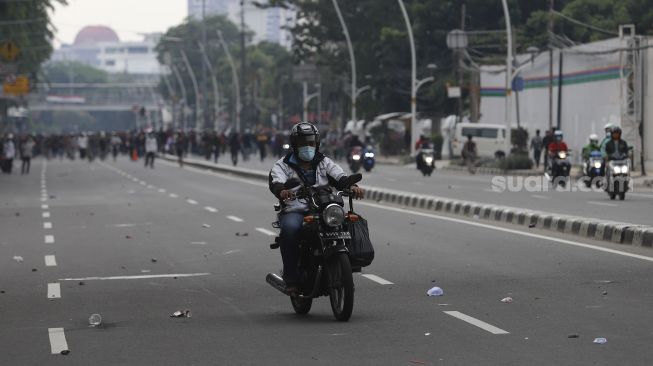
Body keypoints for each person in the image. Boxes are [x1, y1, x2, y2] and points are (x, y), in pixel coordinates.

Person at [268, 122, 364, 295]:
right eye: (303, 143)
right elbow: (276, 182)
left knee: (346, 223)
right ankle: (292, 279)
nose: (307, 146)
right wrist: (282, 191)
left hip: (324, 208)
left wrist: (353, 186)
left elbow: (340, 177)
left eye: (311, 143)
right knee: (290, 229)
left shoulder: (324, 162)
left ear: (317, 144)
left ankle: (348, 266)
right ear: (295, 144)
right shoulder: (282, 165)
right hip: (295, 210)